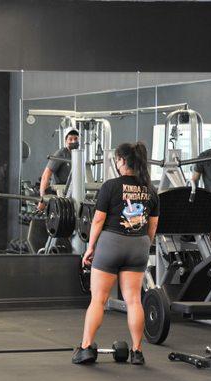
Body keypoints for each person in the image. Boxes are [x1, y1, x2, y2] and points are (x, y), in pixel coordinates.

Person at [73, 142, 159, 366]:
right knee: (134, 301)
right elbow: (152, 226)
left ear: (122, 161)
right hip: (139, 245)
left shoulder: (111, 186)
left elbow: (99, 220)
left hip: (112, 243)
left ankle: (85, 348)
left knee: (98, 300)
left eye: (118, 160)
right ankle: (137, 352)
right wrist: (143, 244)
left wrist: (90, 247)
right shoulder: (150, 190)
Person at [37, 129, 80, 211]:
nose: (73, 141)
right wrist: (42, 200)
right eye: (70, 139)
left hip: (73, 192)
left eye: (76, 139)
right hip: (59, 193)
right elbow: (45, 176)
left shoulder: (78, 155)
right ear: (66, 141)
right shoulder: (61, 153)